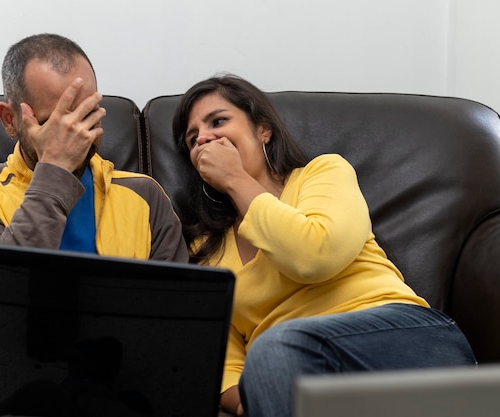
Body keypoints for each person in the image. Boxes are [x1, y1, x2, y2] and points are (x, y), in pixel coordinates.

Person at [0, 33, 188, 417]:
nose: (76, 133)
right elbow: (0, 301)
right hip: (2, 382)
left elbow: (176, 323)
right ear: (11, 120)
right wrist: (56, 169)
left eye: (87, 114)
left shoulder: (145, 196)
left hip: (112, 384)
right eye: (54, 122)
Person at [171, 73, 477, 417]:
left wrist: (235, 178)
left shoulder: (323, 173)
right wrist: (255, 397)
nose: (204, 139)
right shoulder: (206, 249)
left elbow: (315, 255)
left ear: (263, 130)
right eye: (193, 138)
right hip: (293, 374)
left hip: (401, 338)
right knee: (276, 356)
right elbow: (221, 356)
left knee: (277, 348)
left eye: (218, 121)